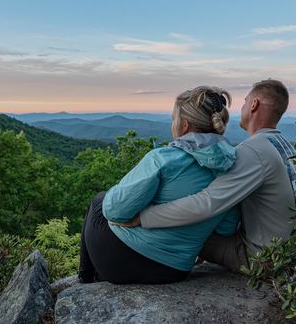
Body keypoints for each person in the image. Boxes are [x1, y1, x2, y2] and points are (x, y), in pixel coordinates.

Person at [119, 79, 296, 272]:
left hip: (265, 259)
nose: (242, 107)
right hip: (291, 253)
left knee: (189, 232)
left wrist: (144, 217)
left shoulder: (254, 151)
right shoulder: (286, 147)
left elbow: (206, 204)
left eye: (245, 101)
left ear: (254, 104)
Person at [78, 86, 241, 284]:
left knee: (99, 200)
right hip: (175, 271)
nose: (173, 124)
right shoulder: (230, 169)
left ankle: (84, 281)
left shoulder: (163, 159)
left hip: (123, 260)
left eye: (174, 119)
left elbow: (114, 211)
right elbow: (227, 227)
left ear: (185, 125)